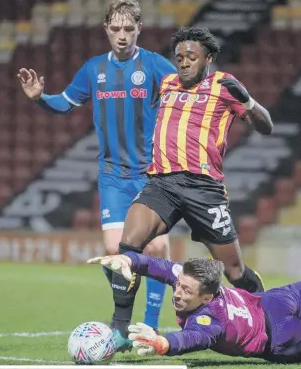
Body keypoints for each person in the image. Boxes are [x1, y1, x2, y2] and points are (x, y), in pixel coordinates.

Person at [16, 0, 178, 346]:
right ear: (106, 29)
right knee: (114, 250)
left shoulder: (154, 66)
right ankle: (121, 324)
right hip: (113, 175)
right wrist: (40, 98)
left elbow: (186, 93)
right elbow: (65, 103)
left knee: (157, 247)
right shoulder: (93, 70)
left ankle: (147, 328)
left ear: (139, 30)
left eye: (129, 29)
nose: (122, 36)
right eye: (115, 29)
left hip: (151, 175)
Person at [106, 25, 272, 344]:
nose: (183, 62)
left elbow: (266, 127)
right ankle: (120, 326)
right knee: (126, 247)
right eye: (179, 57)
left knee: (233, 271)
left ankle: (268, 319)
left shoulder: (224, 85)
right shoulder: (167, 83)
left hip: (204, 189)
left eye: (191, 57)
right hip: (163, 183)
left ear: (207, 58)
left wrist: (250, 104)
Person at [88, 251, 301, 363]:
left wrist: (163, 343)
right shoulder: (198, 281)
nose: (177, 292)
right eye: (178, 285)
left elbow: (193, 339)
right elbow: (159, 265)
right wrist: (129, 260)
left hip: (280, 338)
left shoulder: (209, 319)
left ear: (206, 297)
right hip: (271, 302)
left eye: (186, 290)